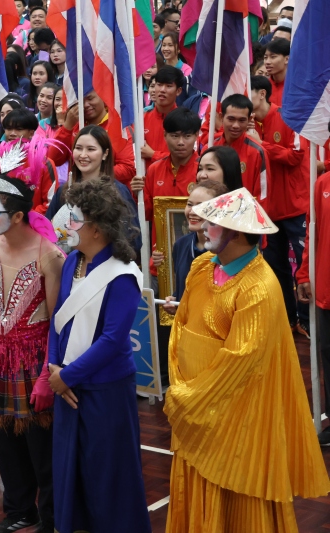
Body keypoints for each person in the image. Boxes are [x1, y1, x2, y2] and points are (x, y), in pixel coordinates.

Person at [165, 187, 330, 532]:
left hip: (233, 415)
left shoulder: (259, 287)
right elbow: (181, 325)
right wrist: (180, 384)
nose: (202, 226)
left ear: (236, 233)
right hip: (193, 407)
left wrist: (188, 398)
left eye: (212, 222)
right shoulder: (200, 266)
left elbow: (239, 363)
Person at [47, 177, 151, 533]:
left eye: (74, 219)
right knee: (70, 470)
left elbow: (112, 339)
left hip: (105, 389)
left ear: (96, 228)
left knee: (107, 474)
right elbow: (57, 319)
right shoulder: (71, 261)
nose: (67, 226)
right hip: (66, 385)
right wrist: (54, 367)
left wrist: (66, 377)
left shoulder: (123, 274)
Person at [0, 161, 64, 533]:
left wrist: (45, 375)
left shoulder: (49, 255)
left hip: (35, 357)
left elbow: (57, 321)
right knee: (4, 441)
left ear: (19, 216)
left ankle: (51, 519)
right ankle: (19, 510)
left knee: (41, 446)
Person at [248, 75, 307, 335]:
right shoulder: (247, 124)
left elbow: (296, 156)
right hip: (267, 209)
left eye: (248, 91)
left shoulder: (288, 117)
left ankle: (307, 320)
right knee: (275, 267)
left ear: (262, 94)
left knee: (303, 269)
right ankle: (288, 319)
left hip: (295, 206)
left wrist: (262, 145)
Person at [47, 126, 140, 254]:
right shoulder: (64, 191)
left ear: (105, 154)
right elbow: (46, 233)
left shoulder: (118, 192)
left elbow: (134, 241)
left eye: (91, 149)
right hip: (68, 263)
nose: (83, 155)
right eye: (78, 148)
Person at [159, 180, 228, 315]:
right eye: (189, 204)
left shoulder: (225, 249)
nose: (192, 211)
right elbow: (183, 289)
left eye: (201, 206)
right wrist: (176, 300)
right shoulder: (180, 245)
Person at [297, 166, 330, 446]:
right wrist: (304, 274)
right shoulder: (322, 184)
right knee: (328, 354)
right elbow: (312, 233)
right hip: (326, 287)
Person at [51, 91, 136, 187]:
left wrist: (91, 174)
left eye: (90, 99)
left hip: (108, 191)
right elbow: (53, 159)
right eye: (80, 101)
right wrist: (67, 127)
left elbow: (128, 168)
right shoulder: (74, 124)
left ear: (103, 98)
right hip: (76, 190)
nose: (85, 105)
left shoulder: (118, 126)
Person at [206, 94, 268, 202]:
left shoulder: (257, 152)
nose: (236, 125)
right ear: (221, 117)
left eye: (241, 120)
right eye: (231, 119)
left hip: (245, 211)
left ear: (249, 120)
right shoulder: (210, 148)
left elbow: (262, 196)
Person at [141, 66, 184, 165]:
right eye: (159, 85)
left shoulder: (185, 122)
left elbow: (186, 158)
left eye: (169, 86)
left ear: (178, 91)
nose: (162, 90)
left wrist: (153, 154)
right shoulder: (142, 119)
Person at [264, 38, 289, 106]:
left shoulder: (297, 87)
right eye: (265, 57)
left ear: (287, 59)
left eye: (273, 57)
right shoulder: (263, 87)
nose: (267, 62)